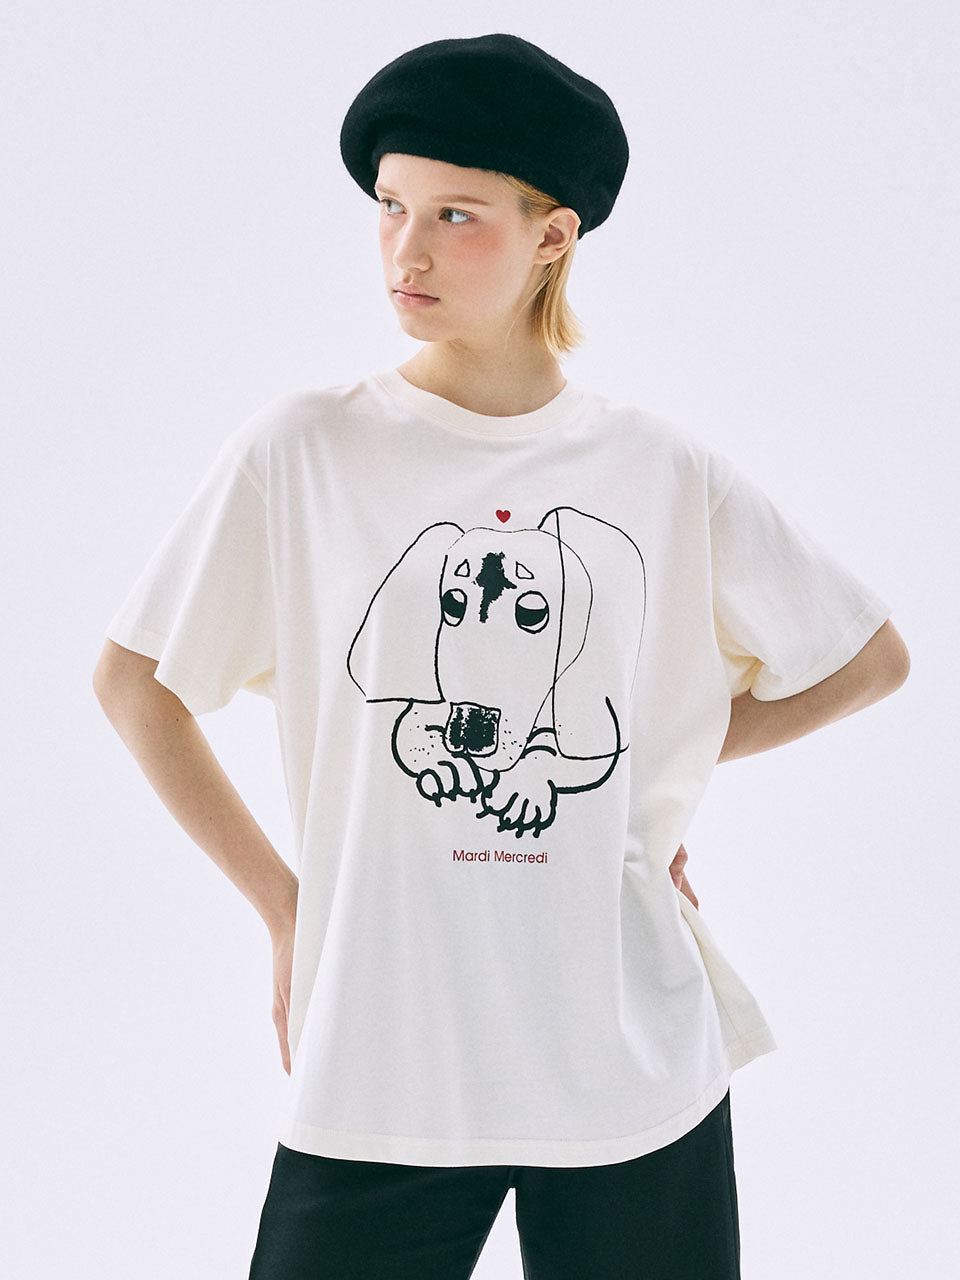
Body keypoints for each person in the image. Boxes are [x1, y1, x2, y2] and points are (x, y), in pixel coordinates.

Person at [92, 32, 910, 1280]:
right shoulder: (304, 452)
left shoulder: (657, 469)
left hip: (627, 1060)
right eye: (391, 208)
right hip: (386, 1051)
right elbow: (136, 683)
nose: (407, 251)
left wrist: (650, 765)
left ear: (552, 236)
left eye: (456, 215)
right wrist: (288, 908)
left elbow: (867, 657)